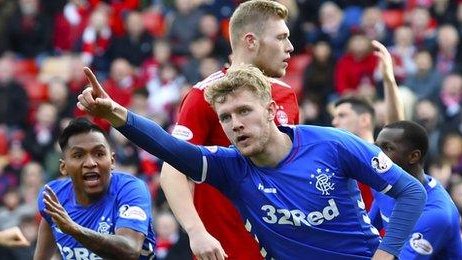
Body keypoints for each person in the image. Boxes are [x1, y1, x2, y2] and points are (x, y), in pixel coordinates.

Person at [77, 63, 426, 259]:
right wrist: (117, 114)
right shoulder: (230, 167)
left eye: (244, 111)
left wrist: (386, 254)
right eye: (226, 118)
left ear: (272, 110)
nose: (235, 124)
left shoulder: (334, 145)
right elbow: (169, 148)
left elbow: (412, 192)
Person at [161, 1, 299, 259]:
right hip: (226, 252)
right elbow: (173, 170)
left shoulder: (286, 95)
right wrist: (196, 232)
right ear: (251, 41)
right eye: (281, 38)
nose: (290, 47)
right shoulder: (205, 95)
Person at [369, 40, 462, 259]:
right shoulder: (384, 186)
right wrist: (388, 80)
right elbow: (364, 236)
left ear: (413, 157)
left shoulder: (436, 213)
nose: (377, 155)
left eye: (386, 148)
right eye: (377, 147)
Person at [33, 118, 156, 260]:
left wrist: (75, 230)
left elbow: (130, 250)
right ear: (63, 167)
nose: (90, 163)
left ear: (112, 161)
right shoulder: (53, 196)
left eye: (99, 154)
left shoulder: (130, 189)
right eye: (78, 155)